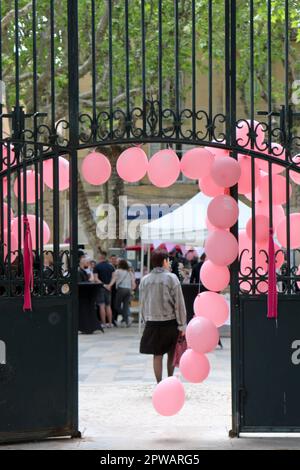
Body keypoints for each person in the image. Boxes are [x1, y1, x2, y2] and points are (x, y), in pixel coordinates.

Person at [139, 249, 187, 383]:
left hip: (152, 322)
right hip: (169, 321)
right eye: (168, 260)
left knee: (157, 354)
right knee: (171, 352)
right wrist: (182, 324)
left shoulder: (145, 280)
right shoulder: (172, 278)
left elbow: (142, 303)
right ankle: (170, 380)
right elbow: (179, 303)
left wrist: (144, 320)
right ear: (164, 261)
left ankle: (159, 383)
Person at [107, 259, 136, 327]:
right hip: (128, 290)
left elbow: (114, 279)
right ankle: (127, 320)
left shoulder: (117, 271)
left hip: (121, 289)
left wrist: (109, 285)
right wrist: (132, 289)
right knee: (126, 306)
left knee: (116, 306)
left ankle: (127, 318)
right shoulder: (129, 272)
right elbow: (133, 282)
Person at [93, 251, 115, 328]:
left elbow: (96, 279)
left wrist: (104, 285)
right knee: (108, 306)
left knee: (102, 306)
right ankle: (110, 323)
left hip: (100, 288)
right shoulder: (111, 266)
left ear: (100, 257)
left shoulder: (97, 266)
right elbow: (114, 277)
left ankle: (104, 324)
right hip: (109, 288)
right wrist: (110, 285)